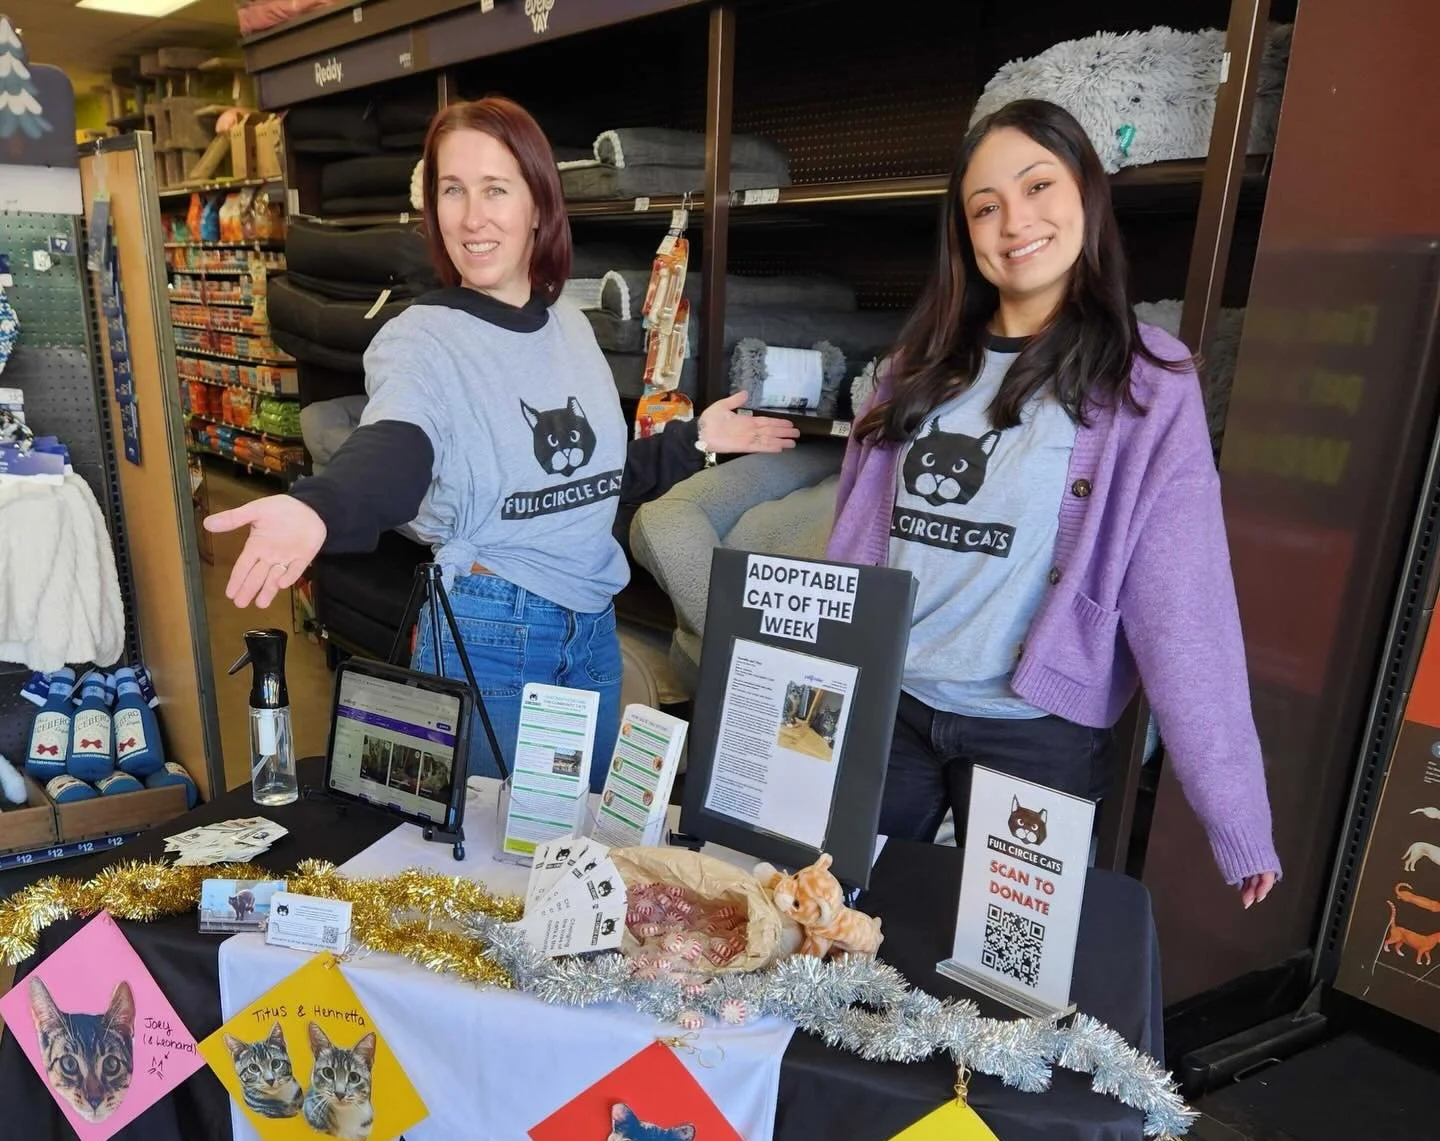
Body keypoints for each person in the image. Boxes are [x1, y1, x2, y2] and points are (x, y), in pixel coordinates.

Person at [205, 97, 798, 790]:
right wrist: (321, 506)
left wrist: (694, 440)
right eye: (452, 191)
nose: (472, 216)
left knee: (570, 847)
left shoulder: (569, 325)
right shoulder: (422, 338)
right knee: (485, 866)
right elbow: (397, 446)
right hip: (493, 631)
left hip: (592, 627)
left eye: (495, 189)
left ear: (539, 204)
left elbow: (591, 477)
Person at [827, 98, 1279, 907]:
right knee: (843, 924)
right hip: (890, 710)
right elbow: (852, 546)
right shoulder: (915, 367)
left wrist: (1233, 811)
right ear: (964, 231)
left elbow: (1187, 602)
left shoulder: (1147, 382)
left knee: (1013, 964)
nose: (1014, 223)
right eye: (985, 206)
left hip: (1036, 733)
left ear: (1087, 196)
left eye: (1039, 187)